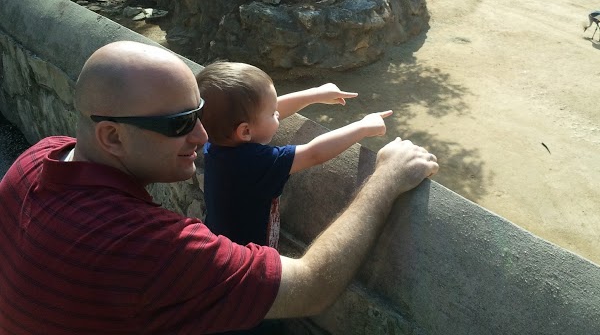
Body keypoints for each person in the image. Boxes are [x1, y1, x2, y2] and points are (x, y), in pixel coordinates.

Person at [0, 41, 438, 334]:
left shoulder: (37, 159)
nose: (203, 136)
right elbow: (311, 287)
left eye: (200, 115)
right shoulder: (145, 247)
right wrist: (386, 179)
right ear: (112, 136)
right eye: (179, 124)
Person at [196, 61, 392, 249]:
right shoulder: (257, 162)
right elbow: (314, 153)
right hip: (249, 259)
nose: (278, 113)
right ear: (245, 131)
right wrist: (364, 126)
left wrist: (315, 94)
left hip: (222, 242)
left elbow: (259, 114)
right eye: (273, 113)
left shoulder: (216, 143)